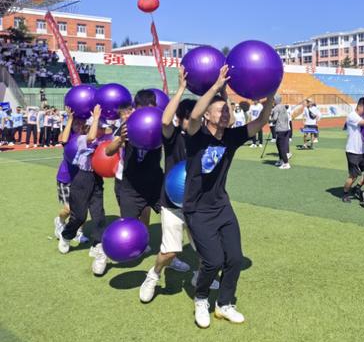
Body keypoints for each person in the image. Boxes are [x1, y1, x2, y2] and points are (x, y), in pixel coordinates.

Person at [183, 64, 274, 328]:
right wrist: (216, 87)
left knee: (234, 258)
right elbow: (193, 117)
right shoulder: (196, 136)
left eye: (228, 110)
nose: (226, 114)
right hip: (197, 209)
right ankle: (201, 298)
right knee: (212, 261)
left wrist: (270, 98)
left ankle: (224, 304)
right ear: (208, 116)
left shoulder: (231, 137)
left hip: (221, 206)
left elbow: (259, 122)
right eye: (220, 110)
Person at [139, 67, 203, 303]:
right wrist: (182, 89)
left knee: (206, 250)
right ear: (182, 118)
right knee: (170, 251)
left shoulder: (203, 138)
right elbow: (165, 120)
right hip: (173, 202)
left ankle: (199, 276)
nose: (197, 120)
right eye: (192, 117)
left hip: (197, 202)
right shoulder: (173, 136)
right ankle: (153, 275)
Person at [57, 105, 110, 276]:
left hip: (96, 180)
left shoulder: (104, 140)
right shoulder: (81, 139)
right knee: (79, 216)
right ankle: (66, 235)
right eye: (99, 127)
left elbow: (111, 136)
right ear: (88, 126)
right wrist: (95, 118)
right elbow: (92, 136)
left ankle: (98, 246)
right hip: (81, 179)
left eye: (103, 127)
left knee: (99, 215)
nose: (101, 130)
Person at [106, 90, 162, 241]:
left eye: (150, 108)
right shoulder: (127, 126)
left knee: (170, 216)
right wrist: (121, 139)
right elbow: (108, 151)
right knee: (128, 223)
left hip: (153, 181)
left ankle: (169, 250)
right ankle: (106, 248)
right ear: (135, 108)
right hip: (130, 182)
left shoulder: (160, 124)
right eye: (142, 109)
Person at [53, 108, 88, 244]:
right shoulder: (70, 135)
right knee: (69, 209)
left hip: (82, 178)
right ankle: (60, 220)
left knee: (82, 208)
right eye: (76, 123)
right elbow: (62, 139)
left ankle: (79, 232)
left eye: (81, 123)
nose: (79, 125)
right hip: (65, 177)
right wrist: (70, 119)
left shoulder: (87, 136)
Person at [342, 97, 364, 203]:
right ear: (360, 106)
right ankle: (345, 193)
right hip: (352, 151)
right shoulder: (352, 116)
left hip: (362, 150)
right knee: (353, 175)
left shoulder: (362, 115)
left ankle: (357, 188)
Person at [270, 96, 294, 169]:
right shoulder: (283, 107)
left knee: (281, 146)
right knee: (278, 144)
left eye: (273, 99)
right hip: (286, 129)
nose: (273, 101)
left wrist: (270, 118)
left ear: (276, 100)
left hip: (281, 129)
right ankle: (281, 160)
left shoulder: (276, 108)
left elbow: (274, 118)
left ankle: (286, 163)